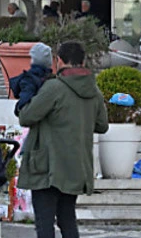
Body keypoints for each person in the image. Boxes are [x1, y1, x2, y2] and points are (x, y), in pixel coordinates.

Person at [18, 42, 108, 238]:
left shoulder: (54, 88)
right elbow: (102, 125)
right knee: (67, 219)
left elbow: (26, 117)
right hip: (75, 166)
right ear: (82, 61)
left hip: (47, 167)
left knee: (45, 223)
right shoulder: (93, 91)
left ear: (59, 61)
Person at [10, 42, 54, 115]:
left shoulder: (29, 79)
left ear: (32, 60)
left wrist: (18, 109)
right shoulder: (52, 79)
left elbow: (24, 101)